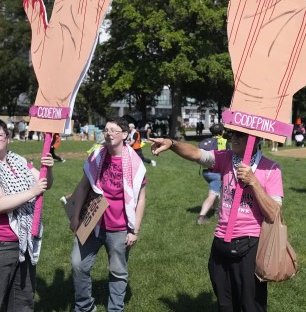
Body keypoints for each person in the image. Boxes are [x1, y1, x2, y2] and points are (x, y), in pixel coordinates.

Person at [150, 129, 284, 311]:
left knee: (251, 305)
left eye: (240, 135)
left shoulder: (270, 168)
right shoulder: (226, 158)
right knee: (225, 304)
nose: (234, 138)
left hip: (251, 245)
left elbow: (274, 213)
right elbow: (197, 154)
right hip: (221, 242)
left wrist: (253, 182)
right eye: (233, 134)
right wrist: (172, 144)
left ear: (256, 139)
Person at [0, 118, 54, 311]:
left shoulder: (19, 162)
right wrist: (32, 192)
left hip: (23, 243)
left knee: (22, 303)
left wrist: (48, 169)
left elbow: (45, 184)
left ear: (8, 138)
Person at [70, 117, 147, 312]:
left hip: (120, 227)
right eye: (106, 130)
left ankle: (115, 309)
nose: (109, 133)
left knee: (118, 271)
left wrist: (134, 230)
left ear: (124, 135)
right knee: (78, 265)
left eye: (114, 130)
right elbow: (83, 186)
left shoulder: (136, 164)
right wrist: (75, 216)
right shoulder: (96, 156)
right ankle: (85, 307)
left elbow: (141, 199)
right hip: (92, 221)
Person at [196, 123, 230, 225]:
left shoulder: (205, 142)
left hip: (206, 172)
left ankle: (216, 211)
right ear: (222, 132)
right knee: (213, 194)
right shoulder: (224, 142)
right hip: (217, 172)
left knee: (216, 191)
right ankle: (201, 216)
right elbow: (229, 157)